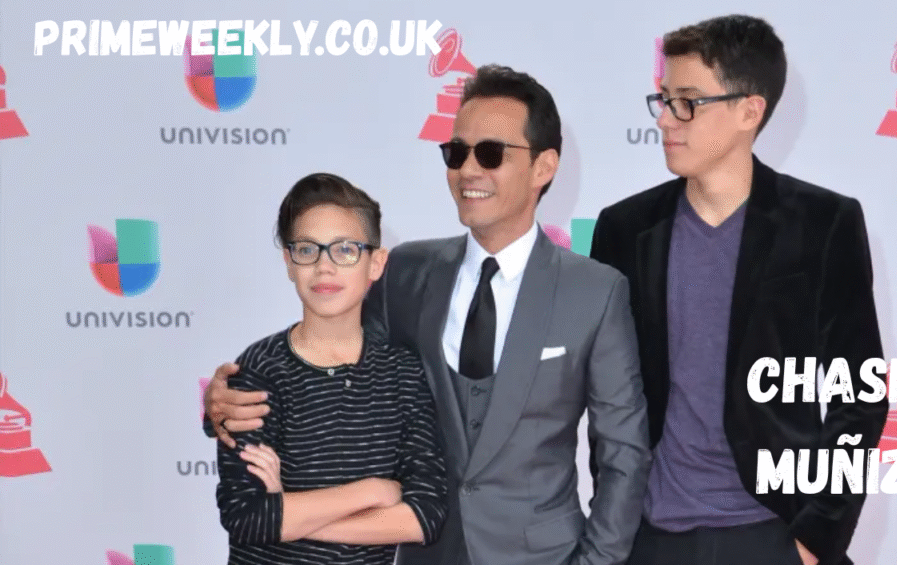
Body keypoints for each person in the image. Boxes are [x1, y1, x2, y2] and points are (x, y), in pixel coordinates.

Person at [205, 65, 652, 565]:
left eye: (490, 153)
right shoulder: (406, 272)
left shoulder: (595, 292)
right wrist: (225, 403)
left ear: (543, 167)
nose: (468, 170)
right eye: (456, 153)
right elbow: (333, 367)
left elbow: (624, 455)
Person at [589, 15, 888, 565]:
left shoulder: (823, 223)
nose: (666, 119)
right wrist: (614, 529)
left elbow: (859, 396)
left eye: (688, 102)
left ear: (750, 111)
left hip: (773, 531)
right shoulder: (624, 229)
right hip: (649, 538)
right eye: (663, 100)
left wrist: (814, 540)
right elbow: (608, 394)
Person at [214, 173, 447, 565]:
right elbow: (246, 516)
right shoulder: (258, 370)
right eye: (308, 250)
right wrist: (372, 491)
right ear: (289, 262)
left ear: (376, 263)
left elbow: (425, 516)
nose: (324, 266)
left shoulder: (403, 374)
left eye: (345, 250)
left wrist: (289, 511)